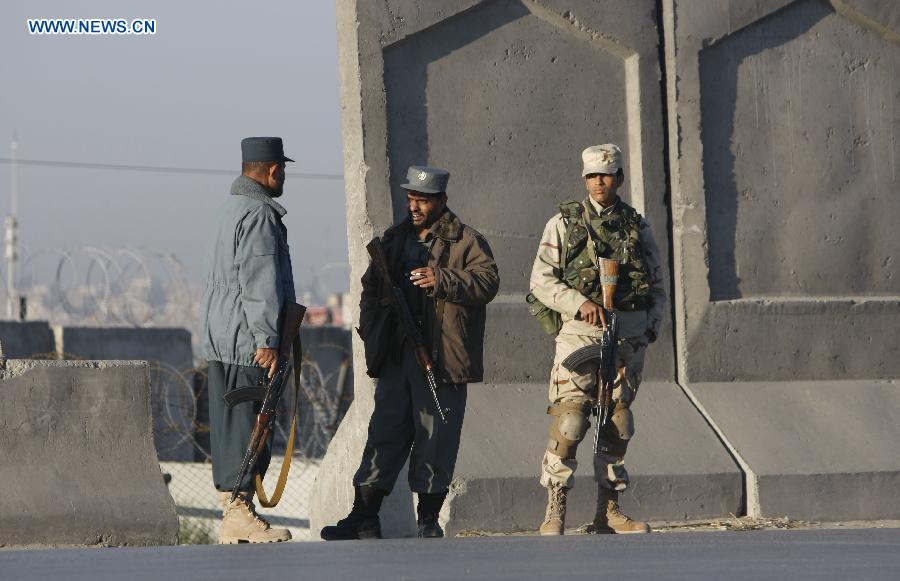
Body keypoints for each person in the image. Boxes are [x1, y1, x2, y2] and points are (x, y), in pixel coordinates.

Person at [321, 165, 499, 540]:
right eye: (411, 199)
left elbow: (487, 282)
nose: (415, 206)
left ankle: (428, 520)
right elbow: (371, 289)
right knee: (384, 434)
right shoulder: (394, 240)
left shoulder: (466, 241)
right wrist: (374, 335)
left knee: (436, 439)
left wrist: (443, 280)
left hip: (442, 359)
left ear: (442, 201)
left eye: (423, 200)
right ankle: (364, 517)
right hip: (398, 358)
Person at [529, 144, 667, 535]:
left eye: (606, 175)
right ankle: (555, 506)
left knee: (618, 420)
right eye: (591, 176)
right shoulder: (563, 223)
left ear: (619, 178)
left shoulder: (637, 227)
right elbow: (541, 279)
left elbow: (656, 282)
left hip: (628, 332)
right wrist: (579, 304)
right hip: (581, 331)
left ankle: (608, 510)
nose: (598, 182)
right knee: (571, 419)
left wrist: (650, 324)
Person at [199, 137, 297, 544]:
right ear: (273, 170)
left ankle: (236, 513)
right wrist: (268, 339)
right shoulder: (258, 214)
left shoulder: (229, 209)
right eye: (283, 170)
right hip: (247, 341)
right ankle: (238, 511)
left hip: (224, 337)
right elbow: (259, 281)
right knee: (250, 423)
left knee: (232, 425)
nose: (284, 176)